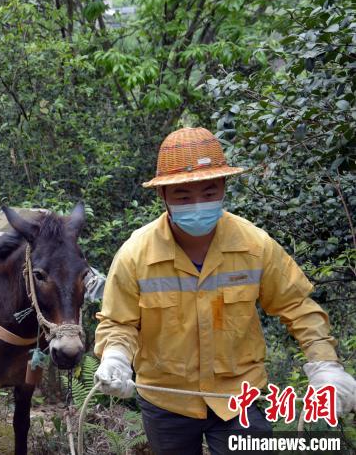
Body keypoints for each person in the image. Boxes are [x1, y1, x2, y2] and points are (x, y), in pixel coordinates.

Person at [94, 128, 356, 454]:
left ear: (223, 188)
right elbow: (119, 322)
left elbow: (298, 306)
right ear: (162, 196)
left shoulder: (254, 245)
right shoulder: (136, 255)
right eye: (183, 195)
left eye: (208, 192)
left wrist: (325, 366)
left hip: (241, 397)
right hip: (167, 399)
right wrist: (116, 358)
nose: (198, 204)